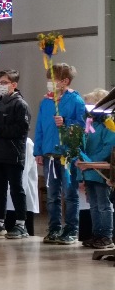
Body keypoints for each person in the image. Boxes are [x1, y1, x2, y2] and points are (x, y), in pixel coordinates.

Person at [34, 63, 87, 245]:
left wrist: (65, 121)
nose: (50, 83)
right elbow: (40, 128)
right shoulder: (47, 101)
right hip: (49, 153)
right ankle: (54, 228)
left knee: (70, 194)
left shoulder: (76, 101)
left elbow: (81, 127)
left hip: (67, 154)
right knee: (52, 195)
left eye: (53, 80)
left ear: (65, 81)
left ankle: (71, 229)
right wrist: (38, 151)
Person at [0, 69, 31, 239]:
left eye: (4, 83)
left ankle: (21, 224)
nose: (0, 86)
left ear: (14, 85)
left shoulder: (20, 105)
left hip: (12, 153)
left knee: (16, 189)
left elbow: (21, 129)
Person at [76, 89, 115, 249]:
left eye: (91, 105)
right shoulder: (89, 123)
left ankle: (106, 235)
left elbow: (108, 147)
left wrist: (91, 162)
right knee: (93, 204)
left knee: (103, 204)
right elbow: (84, 144)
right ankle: (96, 233)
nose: (88, 108)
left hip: (101, 170)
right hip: (89, 169)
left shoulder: (108, 125)